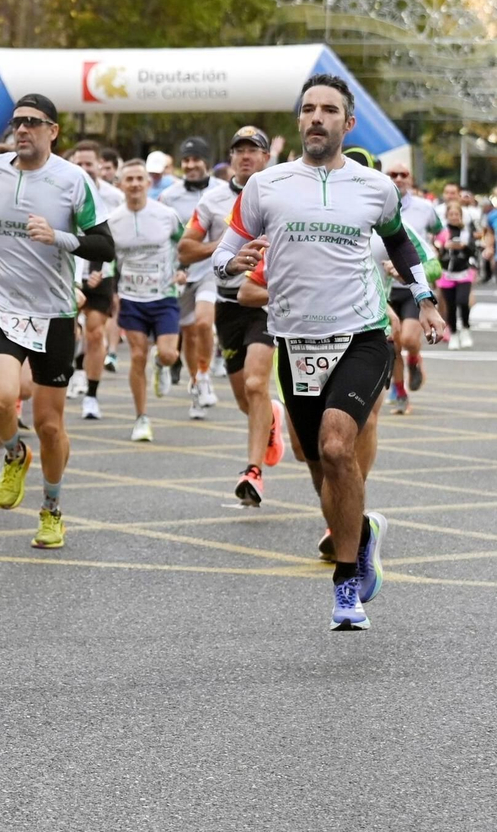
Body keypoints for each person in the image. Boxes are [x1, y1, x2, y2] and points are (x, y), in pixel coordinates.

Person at [213, 73, 447, 630]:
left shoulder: (374, 186)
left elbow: (399, 242)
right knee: (318, 467)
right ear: (299, 120)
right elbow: (224, 256)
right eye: (309, 109)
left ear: (348, 121)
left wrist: (427, 300)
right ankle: (363, 533)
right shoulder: (265, 187)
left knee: (338, 445)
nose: (317, 117)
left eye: (329, 110)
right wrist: (234, 263)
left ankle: (346, 589)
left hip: (362, 335)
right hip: (296, 339)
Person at [0, 94, 113, 550]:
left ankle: (52, 508)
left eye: (32, 123)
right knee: (0, 401)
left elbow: (104, 245)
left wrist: (59, 236)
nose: (21, 129)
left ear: (52, 131)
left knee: (49, 424)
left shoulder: (73, 181)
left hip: (55, 314)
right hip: (0, 304)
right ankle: (13, 455)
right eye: (17, 122)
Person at [179, 126, 284, 504]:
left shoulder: (282, 194)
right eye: (238, 150)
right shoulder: (212, 201)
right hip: (228, 305)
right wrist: (225, 248)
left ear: (266, 156)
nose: (245, 156)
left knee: (257, 384)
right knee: (245, 398)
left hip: (265, 302)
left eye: (253, 150)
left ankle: (253, 472)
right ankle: (270, 419)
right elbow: (185, 249)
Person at [110, 160, 186, 442]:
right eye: (128, 179)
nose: (134, 184)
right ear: (120, 184)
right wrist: (112, 291)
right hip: (131, 298)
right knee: (137, 356)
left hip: (164, 295)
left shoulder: (166, 215)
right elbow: (107, 259)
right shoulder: (113, 220)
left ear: (148, 182)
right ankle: (141, 418)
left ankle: (162, 364)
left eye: (139, 179)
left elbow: (186, 243)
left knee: (169, 354)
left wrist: (183, 270)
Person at [159, 137, 231, 417]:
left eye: (195, 159)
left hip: (211, 270)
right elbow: (165, 238)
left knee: (204, 322)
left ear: (207, 162)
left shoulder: (222, 191)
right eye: (185, 160)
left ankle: (204, 375)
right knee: (188, 334)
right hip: (180, 274)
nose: (190, 165)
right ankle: (196, 386)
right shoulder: (170, 196)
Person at [67, 139, 126, 421]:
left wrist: (99, 269)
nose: (84, 168)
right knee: (67, 331)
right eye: (78, 163)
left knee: (94, 332)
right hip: (67, 271)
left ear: (99, 166)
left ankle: (91, 395)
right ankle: (74, 369)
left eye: (89, 163)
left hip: (102, 272)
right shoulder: (62, 189)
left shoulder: (114, 196)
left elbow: (114, 238)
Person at [382, 163, 442, 405]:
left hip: (412, 288)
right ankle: (399, 391)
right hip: (384, 288)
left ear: (411, 178)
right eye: (392, 175)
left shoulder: (425, 208)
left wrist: (435, 246)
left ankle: (414, 359)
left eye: (403, 174)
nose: (398, 178)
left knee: (407, 339)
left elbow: (439, 232)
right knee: (393, 341)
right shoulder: (378, 207)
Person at [437, 202, 480, 349]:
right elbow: (436, 251)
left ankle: (466, 329)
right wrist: (444, 247)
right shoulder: (443, 232)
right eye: (451, 215)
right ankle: (454, 333)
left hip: (464, 272)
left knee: (462, 301)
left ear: (461, 216)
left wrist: (464, 247)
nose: (454, 217)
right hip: (447, 273)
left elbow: (474, 250)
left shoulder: (467, 232)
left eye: (457, 214)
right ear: (447, 216)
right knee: (451, 306)